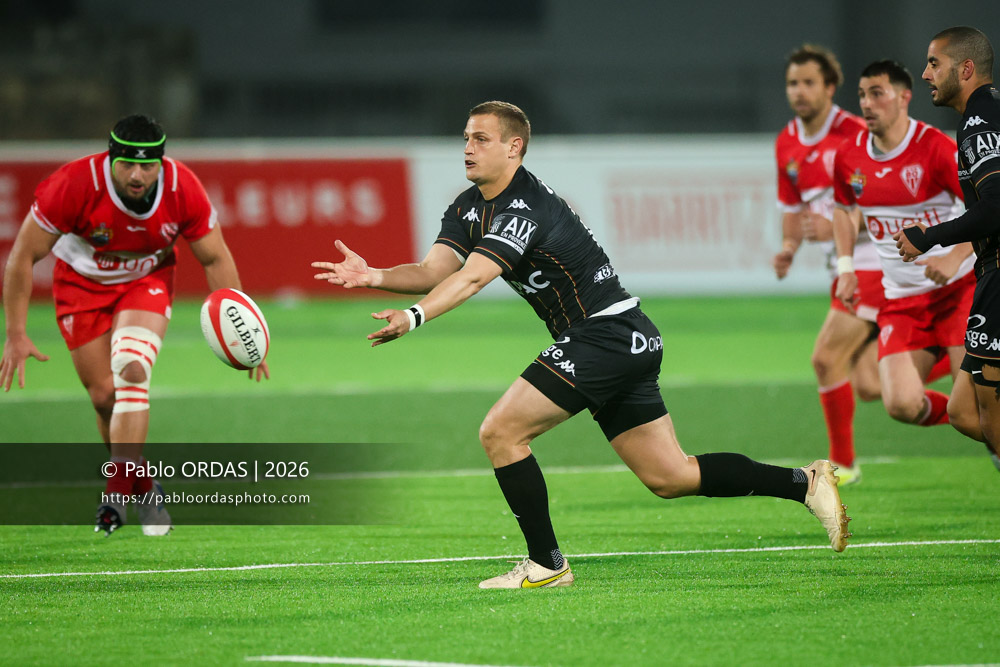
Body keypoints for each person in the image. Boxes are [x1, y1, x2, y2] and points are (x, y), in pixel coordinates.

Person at [313, 100, 851, 589]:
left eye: (480, 138)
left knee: (501, 432)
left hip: (606, 335)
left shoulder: (524, 206)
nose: (467, 148)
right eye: (465, 138)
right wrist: (374, 274)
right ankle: (804, 483)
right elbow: (437, 270)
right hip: (621, 338)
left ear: (514, 146)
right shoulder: (469, 206)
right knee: (671, 476)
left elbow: (474, 278)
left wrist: (413, 318)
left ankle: (546, 564)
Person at [0, 114, 270, 535]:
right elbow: (22, 256)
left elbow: (215, 258)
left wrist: (240, 330)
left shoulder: (184, 190)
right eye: (127, 164)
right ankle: (143, 488)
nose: (137, 174)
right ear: (111, 159)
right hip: (80, 286)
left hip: (147, 281)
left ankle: (114, 497)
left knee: (132, 369)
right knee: (105, 397)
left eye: (147, 165)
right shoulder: (73, 184)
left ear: (162, 163)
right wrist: (15, 333)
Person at [832, 60, 975, 433]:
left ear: (904, 97)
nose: (866, 103)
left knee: (975, 404)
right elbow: (844, 211)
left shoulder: (935, 149)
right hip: (902, 302)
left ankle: (985, 426)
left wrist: (955, 255)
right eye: (862, 95)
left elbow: (988, 211)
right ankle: (982, 424)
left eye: (877, 93)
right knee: (901, 404)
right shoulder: (849, 156)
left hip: (958, 291)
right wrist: (845, 269)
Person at [772, 45, 884, 486]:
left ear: (830, 87)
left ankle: (842, 466)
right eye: (792, 83)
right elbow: (791, 206)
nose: (799, 91)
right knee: (874, 385)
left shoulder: (856, 134)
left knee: (824, 358)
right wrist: (788, 245)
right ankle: (964, 374)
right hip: (843, 268)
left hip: (877, 262)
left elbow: (886, 204)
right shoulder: (787, 142)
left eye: (808, 83)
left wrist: (838, 227)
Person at [896, 26, 1000, 472]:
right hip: (989, 274)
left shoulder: (979, 124)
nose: (925, 73)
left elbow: (996, 206)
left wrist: (929, 236)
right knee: (962, 412)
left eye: (935, 63)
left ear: (967, 68)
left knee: (994, 425)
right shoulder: (989, 113)